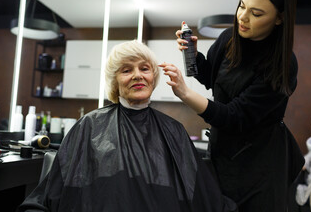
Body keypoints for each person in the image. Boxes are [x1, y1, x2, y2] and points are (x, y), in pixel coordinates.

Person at [17, 40, 237, 212]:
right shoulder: (90, 125)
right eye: (126, 70)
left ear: (154, 77)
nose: (137, 75)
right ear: (115, 81)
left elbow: (201, 194)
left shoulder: (173, 130)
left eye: (144, 68)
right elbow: (56, 190)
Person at [159, 0, 304, 211]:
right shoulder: (229, 38)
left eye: (256, 14)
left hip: (261, 163)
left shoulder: (283, 64)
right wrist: (193, 56)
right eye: (242, 6)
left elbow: (234, 117)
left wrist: (185, 94)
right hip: (224, 153)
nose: (243, 18)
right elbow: (210, 78)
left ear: (280, 18)